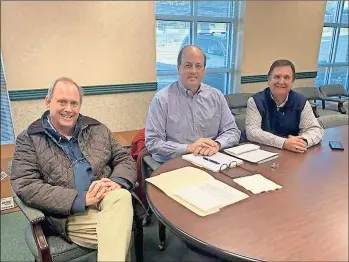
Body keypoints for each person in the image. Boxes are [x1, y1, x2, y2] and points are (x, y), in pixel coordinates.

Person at [10, 77, 137, 262]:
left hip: (106, 198)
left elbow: (124, 157)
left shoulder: (97, 128)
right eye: (62, 102)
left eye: (74, 103)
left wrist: (116, 182)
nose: (68, 109)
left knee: (122, 196)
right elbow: (26, 185)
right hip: (67, 213)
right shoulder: (29, 138)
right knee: (120, 230)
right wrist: (80, 199)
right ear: (48, 102)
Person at [145, 45, 241, 163]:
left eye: (198, 66)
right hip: (174, 163)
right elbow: (153, 143)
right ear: (179, 68)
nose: (193, 71)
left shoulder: (216, 96)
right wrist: (189, 148)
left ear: (204, 70)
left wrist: (217, 144)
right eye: (188, 65)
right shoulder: (161, 100)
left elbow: (233, 131)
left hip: (210, 159)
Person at [245, 59, 324, 153]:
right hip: (263, 153)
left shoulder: (301, 102)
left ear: (292, 82)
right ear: (269, 79)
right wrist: (284, 143)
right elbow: (252, 132)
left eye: (286, 78)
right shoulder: (255, 101)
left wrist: (301, 142)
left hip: (292, 154)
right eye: (277, 77)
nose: (281, 81)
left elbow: (315, 129)